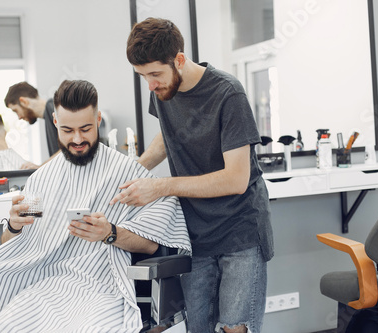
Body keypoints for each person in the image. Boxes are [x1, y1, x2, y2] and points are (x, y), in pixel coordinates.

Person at [0, 80, 191, 332]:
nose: (78, 139)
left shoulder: (126, 172)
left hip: (100, 286)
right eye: (68, 130)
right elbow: (11, 244)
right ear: (55, 122)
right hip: (44, 284)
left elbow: (151, 243)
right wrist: (14, 226)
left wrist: (110, 232)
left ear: (98, 119)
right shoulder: (42, 178)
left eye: (85, 128)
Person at [111, 18, 274, 333]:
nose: (150, 84)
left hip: (239, 229)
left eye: (155, 74)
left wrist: (161, 187)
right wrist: (134, 171)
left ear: (180, 60)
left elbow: (236, 179)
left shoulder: (228, 94)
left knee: (233, 327)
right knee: (197, 326)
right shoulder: (161, 88)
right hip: (195, 233)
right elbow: (168, 136)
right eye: (142, 76)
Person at [4, 81, 59, 167]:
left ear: (24, 102)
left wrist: (40, 168)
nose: (19, 117)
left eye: (16, 111)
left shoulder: (53, 108)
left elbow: (69, 150)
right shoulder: (49, 113)